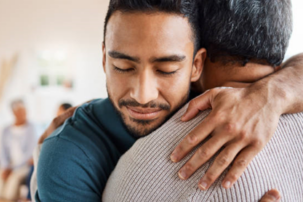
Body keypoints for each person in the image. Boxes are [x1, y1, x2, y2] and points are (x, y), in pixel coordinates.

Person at [35, 0, 303, 201]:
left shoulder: (211, 96)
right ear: (104, 59)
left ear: (196, 66)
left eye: (166, 70)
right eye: (123, 66)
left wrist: (270, 95)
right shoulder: (67, 157)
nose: (143, 95)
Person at [0, 99, 38, 201]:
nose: (24, 114)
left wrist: (12, 168)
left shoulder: (31, 128)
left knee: (11, 187)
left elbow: (29, 153)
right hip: (7, 165)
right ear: (14, 113)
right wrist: (5, 166)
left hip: (22, 166)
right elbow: (2, 152)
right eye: (21, 111)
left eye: (25, 111)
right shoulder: (6, 130)